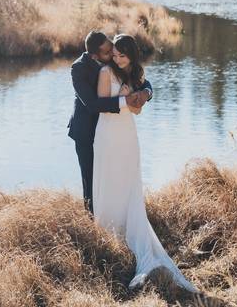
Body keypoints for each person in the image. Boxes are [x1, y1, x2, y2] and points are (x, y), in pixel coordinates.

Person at [92, 33, 197, 292]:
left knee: (128, 184)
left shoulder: (135, 75)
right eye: (115, 54)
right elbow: (100, 106)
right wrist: (124, 99)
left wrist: (136, 98)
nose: (116, 58)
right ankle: (108, 238)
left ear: (131, 56)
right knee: (109, 182)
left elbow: (138, 110)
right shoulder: (106, 71)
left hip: (127, 135)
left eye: (121, 55)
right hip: (107, 134)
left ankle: (130, 238)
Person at [67, 30, 151, 215]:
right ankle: (93, 221)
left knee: (114, 172)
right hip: (87, 130)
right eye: (108, 52)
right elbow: (92, 104)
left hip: (112, 129)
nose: (112, 53)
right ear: (94, 55)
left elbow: (141, 81)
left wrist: (147, 93)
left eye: (112, 48)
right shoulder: (78, 69)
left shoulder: (114, 61)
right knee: (91, 177)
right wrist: (124, 101)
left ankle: (118, 212)